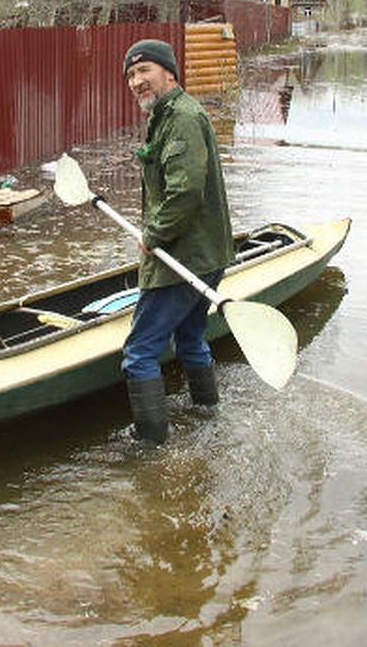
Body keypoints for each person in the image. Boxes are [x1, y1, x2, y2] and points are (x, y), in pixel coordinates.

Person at [119, 38, 234, 445]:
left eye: (144, 71)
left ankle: (151, 447)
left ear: (170, 72)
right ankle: (207, 412)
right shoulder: (164, 114)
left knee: (140, 353)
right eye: (131, 75)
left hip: (182, 257)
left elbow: (185, 193)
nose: (136, 81)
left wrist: (154, 234)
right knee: (189, 337)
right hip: (205, 255)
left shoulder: (182, 117)